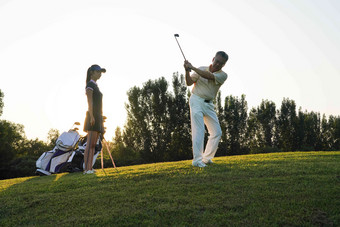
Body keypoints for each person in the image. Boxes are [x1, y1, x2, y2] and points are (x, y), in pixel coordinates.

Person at [184, 51, 228, 167]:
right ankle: (197, 161)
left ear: (224, 65)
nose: (218, 64)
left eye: (221, 63)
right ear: (213, 59)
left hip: (209, 105)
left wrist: (192, 67)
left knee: (217, 132)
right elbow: (189, 83)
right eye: (217, 61)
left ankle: (206, 158)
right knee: (198, 130)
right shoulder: (201, 69)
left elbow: (208, 76)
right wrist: (187, 71)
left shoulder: (223, 75)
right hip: (196, 100)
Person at [83, 64, 106, 174]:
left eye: (101, 72)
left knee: (93, 145)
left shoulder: (95, 85)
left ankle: (89, 168)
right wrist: (92, 116)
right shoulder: (90, 85)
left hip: (98, 116)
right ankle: (86, 169)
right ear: (92, 72)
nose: (100, 74)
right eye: (98, 71)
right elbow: (90, 102)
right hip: (92, 117)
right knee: (89, 144)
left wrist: (100, 117)